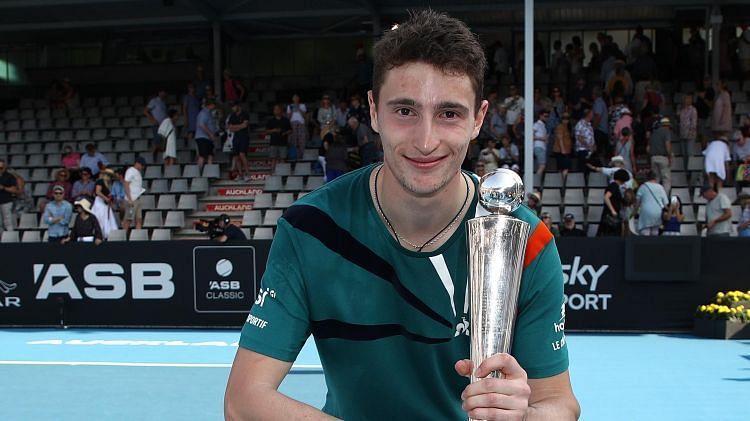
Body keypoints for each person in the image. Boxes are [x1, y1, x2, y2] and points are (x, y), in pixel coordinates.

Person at [225, 10, 579, 421]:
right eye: (405, 111)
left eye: (449, 113)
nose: (426, 142)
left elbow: (559, 402)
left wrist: (523, 414)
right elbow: (242, 400)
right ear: (374, 111)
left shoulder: (525, 242)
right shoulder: (312, 229)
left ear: (479, 119)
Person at [598, 169, 630, 236]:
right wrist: (612, 210)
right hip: (610, 215)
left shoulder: (616, 186)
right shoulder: (614, 185)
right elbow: (606, 197)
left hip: (613, 215)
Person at [635, 171, 669, 236]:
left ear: (647, 177)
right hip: (657, 212)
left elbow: (637, 203)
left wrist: (634, 212)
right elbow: (666, 203)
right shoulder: (660, 187)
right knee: (655, 232)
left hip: (645, 212)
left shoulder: (643, 187)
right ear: (656, 178)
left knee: (645, 232)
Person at [648, 117, 674, 194]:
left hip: (653, 157)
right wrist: (670, 157)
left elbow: (648, 148)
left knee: (656, 179)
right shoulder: (666, 132)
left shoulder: (654, 133)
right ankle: (664, 199)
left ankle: (655, 197)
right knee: (666, 180)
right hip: (663, 157)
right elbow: (667, 146)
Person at [91, 169, 118, 240]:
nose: (109, 177)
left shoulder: (108, 184)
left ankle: (105, 235)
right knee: (100, 218)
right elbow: (98, 192)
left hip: (105, 204)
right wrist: (106, 198)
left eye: (110, 176)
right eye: (108, 175)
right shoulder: (100, 181)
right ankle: (99, 235)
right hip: (99, 202)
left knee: (106, 218)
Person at [227, 101, 251, 181]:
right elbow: (230, 128)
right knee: (236, 156)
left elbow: (245, 125)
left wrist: (235, 127)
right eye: (232, 107)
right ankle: (240, 174)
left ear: (238, 106)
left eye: (234, 106)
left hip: (244, 137)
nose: (232, 108)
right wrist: (239, 126)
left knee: (242, 154)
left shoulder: (245, 114)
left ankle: (248, 174)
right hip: (236, 137)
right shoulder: (232, 116)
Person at [123, 157, 147, 231]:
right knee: (128, 219)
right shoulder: (131, 171)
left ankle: (138, 238)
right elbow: (126, 184)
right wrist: (130, 199)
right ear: (137, 163)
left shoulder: (137, 172)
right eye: (142, 165)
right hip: (132, 199)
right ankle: (122, 238)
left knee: (139, 219)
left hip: (137, 199)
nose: (143, 167)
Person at [144, 89, 168, 162]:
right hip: (156, 125)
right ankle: (150, 159)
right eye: (162, 92)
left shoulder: (164, 103)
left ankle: (157, 159)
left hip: (163, 125)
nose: (164, 93)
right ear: (159, 92)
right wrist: (152, 120)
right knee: (157, 142)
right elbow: (145, 111)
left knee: (162, 143)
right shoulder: (154, 101)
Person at [195, 99, 219, 168]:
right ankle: (198, 174)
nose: (215, 107)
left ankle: (209, 173)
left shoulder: (209, 113)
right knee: (202, 155)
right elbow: (202, 125)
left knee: (210, 155)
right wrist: (210, 134)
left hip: (208, 138)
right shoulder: (203, 113)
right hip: (202, 138)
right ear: (211, 105)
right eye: (214, 105)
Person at [286, 94, 308, 160]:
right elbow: (288, 117)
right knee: (293, 140)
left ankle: (301, 155)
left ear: (299, 98)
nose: (295, 99)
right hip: (292, 124)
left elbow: (304, 116)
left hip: (301, 123)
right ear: (292, 99)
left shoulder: (302, 105)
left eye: (296, 97)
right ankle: (294, 155)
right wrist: (292, 110)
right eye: (294, 98)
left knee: (301, 140)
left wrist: (298, 108)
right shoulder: (289, 106)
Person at [553, 113, 573, 180]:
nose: (566, 120)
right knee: (565, 167)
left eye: (567, 119)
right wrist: (563, 149)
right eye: (564, 119)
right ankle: (563, 182)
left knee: (563, 167)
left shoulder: (566, 127)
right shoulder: (560, 127)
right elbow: (560, 138)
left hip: (566, 150)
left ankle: (561, 182)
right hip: (561, 151)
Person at [0, 159, 18, 231]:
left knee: (7, 221)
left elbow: (14, 190)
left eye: (1, 168)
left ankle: (10, 238)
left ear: (5, 167)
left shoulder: (9, 176)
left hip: (6, 201)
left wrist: (3, 187)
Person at [532, 110, 549, 175]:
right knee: (542, 166)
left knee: (541, 166)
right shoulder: (537, 124)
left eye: (547, 116)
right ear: (540, 116)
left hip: (542, 147)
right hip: (539, 147)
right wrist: (542, 138)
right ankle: (535, 182)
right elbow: (531, 135)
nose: (547, 118)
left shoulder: (543, 125)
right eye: (545, 116)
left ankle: (536, 182)